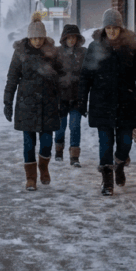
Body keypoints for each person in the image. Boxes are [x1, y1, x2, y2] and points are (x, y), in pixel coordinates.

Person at [78, 8, 136, 196]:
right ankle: (107, 181)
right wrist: (81, 100)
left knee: (125, 143)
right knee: (105, 142)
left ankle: (119, 164)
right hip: (101, 102)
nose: (111, 31)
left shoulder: (132, 47)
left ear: (120, 28)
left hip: (126, 101)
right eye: (108, 27)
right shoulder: (95, 48)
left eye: (115, 27)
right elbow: (86, 76)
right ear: (104, 29)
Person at [4, 12, 63, 191]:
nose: (37, 41)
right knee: (28, 144)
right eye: (34, 38)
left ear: (44, 37)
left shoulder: (53, 52)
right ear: (29, 37)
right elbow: (12, 78)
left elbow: (62, 77)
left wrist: (64, 100)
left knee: (46, 143)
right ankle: (30, 178)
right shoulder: (20, 52)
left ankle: (43, 167)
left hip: (49, 104)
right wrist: (8, 103)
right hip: (26, 104)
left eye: (40, 38)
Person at [55, 24, 87, 166]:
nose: (72, 40)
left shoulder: (83, 53)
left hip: (76, 97)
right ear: (64, 38)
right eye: (69, 37)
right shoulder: (57, 53)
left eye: (74, 37)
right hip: (61, 98)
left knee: (75, 127)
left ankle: (74, 157)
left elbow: (88, 73)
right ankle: (58, 150)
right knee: (60, 128)